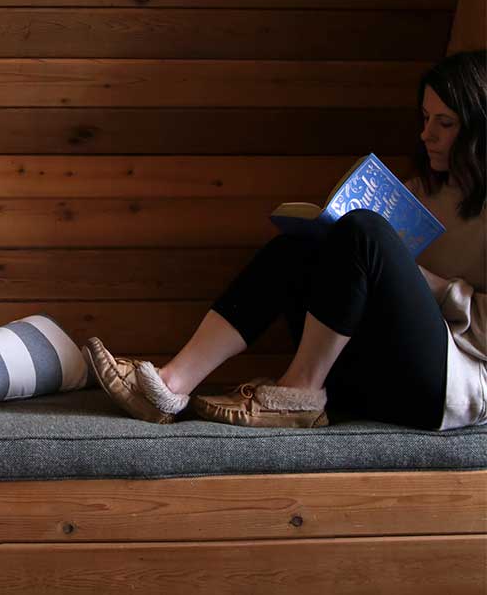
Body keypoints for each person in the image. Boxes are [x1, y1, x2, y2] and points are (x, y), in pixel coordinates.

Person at [83, 48, 487, 432]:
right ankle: (171, 384)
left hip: (444, 392)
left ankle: (299, 392)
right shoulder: (418, 191)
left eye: (444, 123)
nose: (426, 134)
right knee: (299, 248)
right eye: (425, 118)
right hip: (368, 373)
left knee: (364, 231)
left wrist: (431, 285)